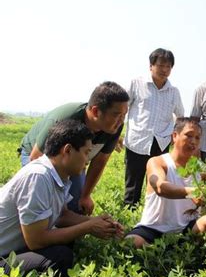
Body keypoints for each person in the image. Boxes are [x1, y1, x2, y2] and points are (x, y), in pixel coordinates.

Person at [1, 120, 124, 277]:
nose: (87, 161)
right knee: (59, 256)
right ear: (67, 150)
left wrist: (96, 222)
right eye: (86, 153)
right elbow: (36, 241)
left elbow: (62, 215)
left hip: (18, 248)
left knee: (65, 243)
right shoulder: (38, 176)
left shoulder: (57, 174)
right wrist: (88, 227)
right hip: (4, 255)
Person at [19, 81, 129, 215]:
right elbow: (36, 158)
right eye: (117, 114)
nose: (121, 120)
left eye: (124, 115)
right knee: (46, 204)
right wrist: (56, 196)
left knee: (76, 206)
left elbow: (100, 161)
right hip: (37, 156)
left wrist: (85, 196)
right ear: (95, 111)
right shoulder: (65, 119)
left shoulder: (114, 127)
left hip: (73, 160)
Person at [126, 118, 206, 248]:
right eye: (189, 135)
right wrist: (193, 192)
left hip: (188, 227)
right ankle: (169, 250)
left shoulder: (202, 168)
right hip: (154, 228)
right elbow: (160, 187)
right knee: (130, 242)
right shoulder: (158, 162)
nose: (193, 141)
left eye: (198, 138)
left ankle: (172, 249)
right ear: (174, 136)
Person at [123, 48, 185, 206]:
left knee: (158, 185)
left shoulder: (173, 91)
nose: (164, 70)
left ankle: (153, 218)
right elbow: (123, 108)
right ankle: (128, 218)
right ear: (151, 65)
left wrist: (175, 136)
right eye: (161, 65)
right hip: (137, 141)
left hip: (161, 142)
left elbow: (181, 117)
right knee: (133, 187)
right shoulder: (136, 84)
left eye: (168, 67)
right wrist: (116, 133)